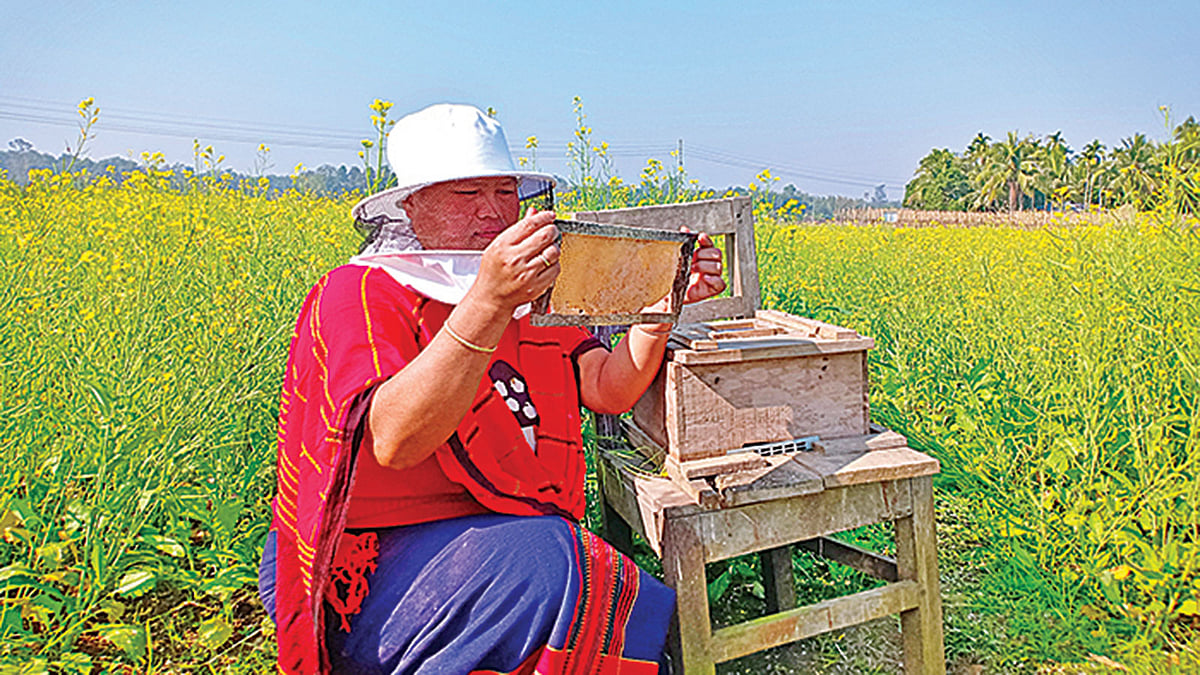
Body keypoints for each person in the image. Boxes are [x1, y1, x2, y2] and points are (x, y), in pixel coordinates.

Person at [258, 103, 725, 674]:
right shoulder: (360, 293)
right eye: (465, 194)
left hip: (503, 534)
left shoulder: (530, 295)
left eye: (506, 192)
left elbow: (607, 388)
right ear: (412, 204)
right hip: (372, 559)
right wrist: (487, 301)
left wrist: (659, 304)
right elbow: (395, 442)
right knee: (553, 566)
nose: (493, 212)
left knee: (580, 576)